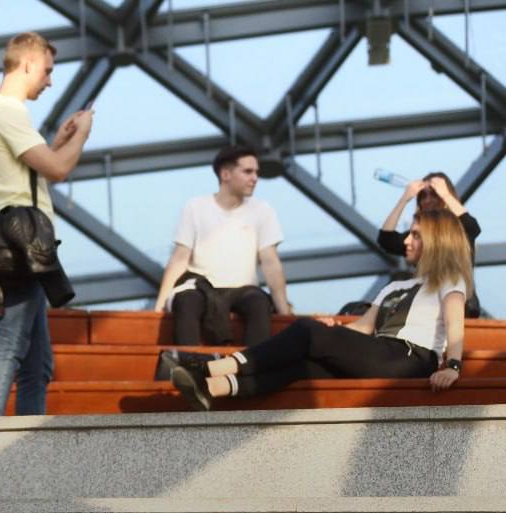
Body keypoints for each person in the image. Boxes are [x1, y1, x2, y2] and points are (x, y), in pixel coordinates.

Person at [167, 209, 471, 411]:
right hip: (379, 352)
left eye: (415, 235)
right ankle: (213, 388)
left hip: (410, 358)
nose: (406, 241)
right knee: (305, 366)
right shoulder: (395, 287)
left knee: (306, 330)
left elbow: (455, 325)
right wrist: (333, 332)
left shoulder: (449, 279)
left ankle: (210, 367)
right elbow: (363, 328)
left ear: (437, 240)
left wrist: (453, 367)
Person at [0, 32, 93, 417]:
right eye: (47, 71)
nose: (50, 81)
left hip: (12, 238)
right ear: (28, 64)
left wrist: (58, 141)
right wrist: (82, 136)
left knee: (38, 362)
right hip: (24, 243)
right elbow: (57, 169)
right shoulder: (8, 110)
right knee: (10, 341)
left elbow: (27, 172)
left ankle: (28, 434)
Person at [152, 146, 292, 347]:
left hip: (244, 289)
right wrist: (160, 304)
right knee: (187, 300)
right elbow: (179, 258)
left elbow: (270, 262)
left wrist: (284, 311)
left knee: (259, 302)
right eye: (248, 171)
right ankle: (190, 361)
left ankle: (253, 364)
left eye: (256, 172)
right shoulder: (195, 206)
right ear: (225, 174)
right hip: (199, 286)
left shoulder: (263, 210)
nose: (255, 178)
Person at [379, 171, 482, 317]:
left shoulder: (457, 230)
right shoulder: (417, 236)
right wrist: (404, 199)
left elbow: (471, 227)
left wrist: (445, 195)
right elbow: (386, 239)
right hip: (427, 304)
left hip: (460, 304)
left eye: (434, 194)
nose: (428, 200)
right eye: (423, 195)